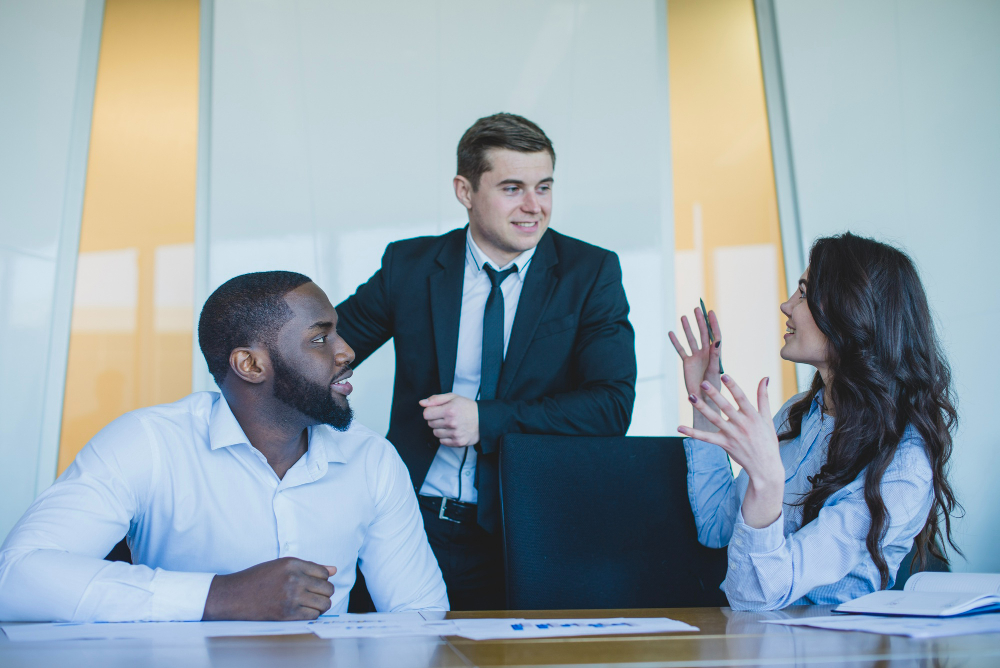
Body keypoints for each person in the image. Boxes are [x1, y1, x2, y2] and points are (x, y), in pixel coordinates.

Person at [0, 271, 448, 622]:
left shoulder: (372, 459)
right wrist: (219, 595)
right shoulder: (148, 442)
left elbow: (421, 614)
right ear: (250, 364)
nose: (346, 351)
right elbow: (16, 577)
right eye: (320, 338)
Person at [336, 113, 637, 610]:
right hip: (409, 522)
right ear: (464, 190)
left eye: (544, 187)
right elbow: (327, 351)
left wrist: (486, 419)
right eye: (512, 188)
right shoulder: (408, 266)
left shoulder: (591, 273)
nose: (533, 207)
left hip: (527, 527)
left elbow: (609, 408)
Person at [670, 233, 960, 611]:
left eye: (804, 293)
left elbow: (755, 595)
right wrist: (706, 397)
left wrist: (768, 483)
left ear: (853, 312)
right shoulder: (798, 415)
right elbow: (715, 526)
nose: (786, 305)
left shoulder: (904, 466)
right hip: (759, 641)